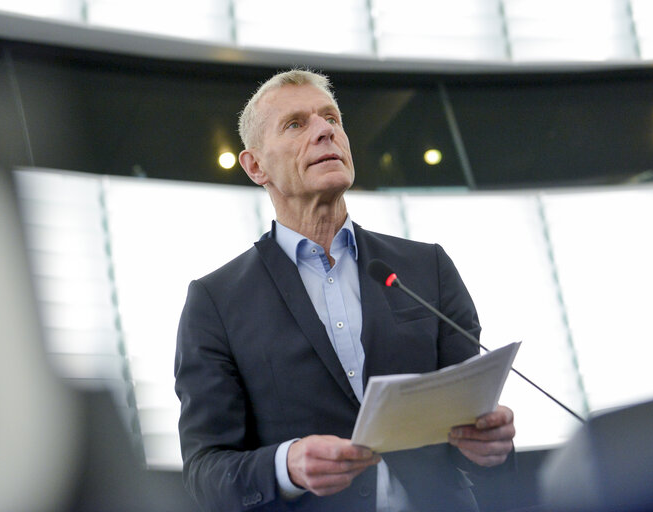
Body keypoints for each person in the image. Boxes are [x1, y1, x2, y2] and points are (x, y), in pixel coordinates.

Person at [174, 69, 515, 511]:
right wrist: (286, 466)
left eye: (332, 118)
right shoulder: (214, 302)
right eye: (296, 124)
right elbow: (205, 471)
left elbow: (475, 427)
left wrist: (491, 448)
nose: (324, 131)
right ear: (256, 166)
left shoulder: (426, 267)